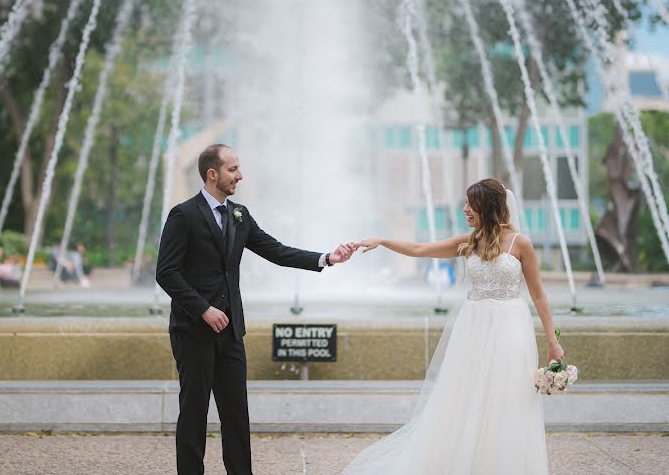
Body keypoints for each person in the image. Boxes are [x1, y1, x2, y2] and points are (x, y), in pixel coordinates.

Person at [156, 143, 355, 475]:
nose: (240, 175)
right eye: (233, 169)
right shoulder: (184, 215)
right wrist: (203, 309)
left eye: (238, 168)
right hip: (193, 333)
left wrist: (326, 258)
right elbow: (166, 273)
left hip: (232, 332)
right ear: (212, 174)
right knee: (194, 412)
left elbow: (276, 251)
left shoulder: (240, 215)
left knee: (236, 413)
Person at [343, 178, 561, 475]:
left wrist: (553, 341)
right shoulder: (469, 241)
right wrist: (383, 241)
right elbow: (420, 249)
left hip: (511, 328)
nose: (466, 209)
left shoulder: (521, 243)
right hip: (472, 327)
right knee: (466, 395)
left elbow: (538, 294)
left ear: (489, 207)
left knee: (506, 396)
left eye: (472, 204)